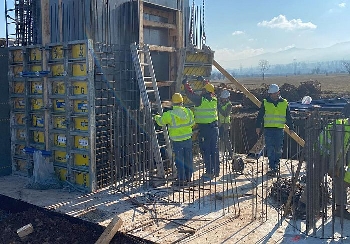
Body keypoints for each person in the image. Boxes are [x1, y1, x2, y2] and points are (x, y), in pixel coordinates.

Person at [297, 104, 350, 219]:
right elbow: (335, 150)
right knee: (316, 179)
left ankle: (340, 208)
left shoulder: (347, 128)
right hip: (321, 154)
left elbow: (343, 151)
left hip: (333, 155)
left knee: (340, 177)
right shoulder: (341, 128)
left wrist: (339, 166)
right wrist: (332, 169)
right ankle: (302, 206)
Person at [154, 93, 195, 186]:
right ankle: (188, 178)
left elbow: (161, 122)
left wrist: (156, 117)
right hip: (188, 139)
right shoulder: (188, 111)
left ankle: (181, 180)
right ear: (182, 102)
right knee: (188, 159)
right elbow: (192, 123)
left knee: (179, 160)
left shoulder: (170, 114)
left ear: (173, 103)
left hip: (177, 141)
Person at [182, 77, 220, 179]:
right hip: (215, 128)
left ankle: (209, 172)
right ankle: (216, 171)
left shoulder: (200, 100)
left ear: (205, 91)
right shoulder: (214, 99)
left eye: (203, 89)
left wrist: (185, 83)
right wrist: (205, 81)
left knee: (206, 150)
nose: (202, 91)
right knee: (214, 150)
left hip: (205, 129)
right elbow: (209, 88)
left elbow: (190, 94)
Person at [255, 84, 294, 176]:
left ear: (278, 92)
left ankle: (276, 165)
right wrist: (258, 126)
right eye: (271, 94)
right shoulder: (265, 102)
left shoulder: (284, 102)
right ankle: (272, 167)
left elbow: (289, 116)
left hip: (279, 129)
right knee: (270, 148)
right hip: (268, 129)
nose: (272, 95)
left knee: (278, 149)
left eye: (274, 93)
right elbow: (260, 116)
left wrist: (291, 127)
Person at [218, 89, 234, 158]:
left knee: (226, 139)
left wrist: (219, 107)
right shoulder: (219, 103)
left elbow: (225, 114)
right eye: (222, 98)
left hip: (225, 124)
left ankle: (231, 153)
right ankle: (220, 152)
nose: (223, 99)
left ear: (227, 98)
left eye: (224, 98)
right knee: (219, 139)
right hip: (219, 123)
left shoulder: (229, 105)